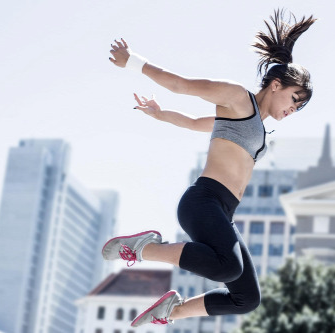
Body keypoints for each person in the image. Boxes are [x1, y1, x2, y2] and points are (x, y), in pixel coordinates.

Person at [101, 9, 317, 327]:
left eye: (298, 108)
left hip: (221, 212)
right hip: (203, 202)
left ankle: (171, 311)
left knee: (247, 299)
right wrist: (133, 61)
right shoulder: (237, 99)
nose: (292, 110)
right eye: (293, 100)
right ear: (275, 85)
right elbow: (181, 85)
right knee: (227, 267)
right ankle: (144, 248)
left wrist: (160, 115)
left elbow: (193, 123)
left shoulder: (254, 124)